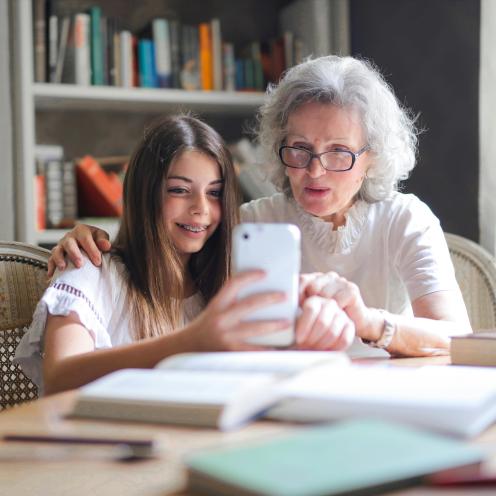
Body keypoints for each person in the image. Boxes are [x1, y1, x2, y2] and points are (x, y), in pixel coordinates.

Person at [47, 55, 471, 358]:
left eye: (339, 152)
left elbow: (457, 337)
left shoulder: (405, 218)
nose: (315, 171)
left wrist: (368, 322)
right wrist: (88, 238)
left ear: (372, 158)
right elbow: (162, 253)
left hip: (389, 400)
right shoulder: (248, 224)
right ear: (278, 146)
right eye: (299, 149)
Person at [15, 115, 354, 395]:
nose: (200, 210)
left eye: (215, 193)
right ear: (144, 193)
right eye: (179, 190)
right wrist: (192, 341)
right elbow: (60, 377)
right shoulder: (89, 269)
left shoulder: (226, 285)